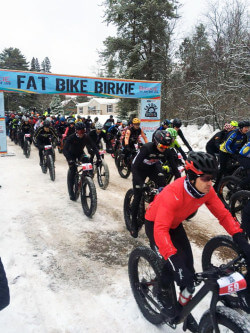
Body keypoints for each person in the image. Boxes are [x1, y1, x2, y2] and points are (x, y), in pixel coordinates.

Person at [144, 151, 250, 331]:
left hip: (175, 225)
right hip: (156, 225)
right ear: (192, 177)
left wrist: (240, 238)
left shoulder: (206, 191)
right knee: (174, 266)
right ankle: (162, 293)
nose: (211, 183)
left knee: (189, 273)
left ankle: (182, 311)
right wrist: (175, 261)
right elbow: (160, 231)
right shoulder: (173, 194)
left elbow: (223, 215)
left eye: (213, 178)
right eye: (207, 178)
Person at [130, 130, 176, 238]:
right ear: (155, 142)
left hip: (153, 168)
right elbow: (134, 166)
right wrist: (141, 184)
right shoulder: (146, 148)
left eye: (166, 146)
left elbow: (175, 169)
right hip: (139, 169)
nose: (163, 148)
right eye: (162, 146)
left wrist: (179, 183)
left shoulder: (167, 150)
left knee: (163, 188)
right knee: (138, 195)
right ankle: (133, 224)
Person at [63, 122, 101, 200]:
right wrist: (69, 159)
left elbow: (94, 147)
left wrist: (99, 158)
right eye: (80, 132)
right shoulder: (71, 137)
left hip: (80, 153)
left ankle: (86, 179)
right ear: (76, 131)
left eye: (83, 132)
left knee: (87, 161)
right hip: (71, 155)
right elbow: (65, 150)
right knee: (73, 170)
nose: (82, 134)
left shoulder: (86, 137)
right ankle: (71, 192)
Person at [214, 120, 250, 190]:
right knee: (223, 169)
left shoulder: (244, 135)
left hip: (233, 151)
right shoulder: (234, 133)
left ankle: (232, 178)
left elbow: (243, 146)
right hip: (224, 151)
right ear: (241, 128)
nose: (247, 129)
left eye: (248, 127)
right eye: (246, 127)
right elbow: (227, 145)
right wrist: (233, 153)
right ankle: (216, 186)